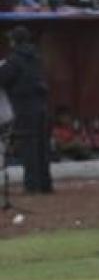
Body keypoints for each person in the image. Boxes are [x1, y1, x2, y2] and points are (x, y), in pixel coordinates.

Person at [0, 26, 53, 193]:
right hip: (41, 105)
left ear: (15, 41)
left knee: (29, 146)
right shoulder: (36, 57)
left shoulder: (15, 59)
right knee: (42, 147)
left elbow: (4, 78)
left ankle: (32, 185)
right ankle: (45, 184)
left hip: (25, 107)